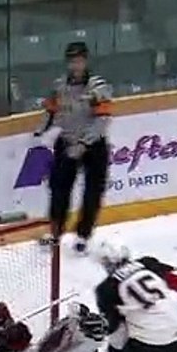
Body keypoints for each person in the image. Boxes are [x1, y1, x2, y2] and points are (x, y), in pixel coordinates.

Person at [35, 41, 113, 253]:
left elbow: (103, 119)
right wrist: (41, 132)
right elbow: (50, 112)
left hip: (93, 145)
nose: (75, 65)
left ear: (85, 61)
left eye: (79, 60)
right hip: (66, 141)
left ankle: (83, 235)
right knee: (59, 189)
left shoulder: (98, 87)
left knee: (92, 191)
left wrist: (84, 143)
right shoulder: (59, 86)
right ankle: (54, 233)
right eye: (72, 61)